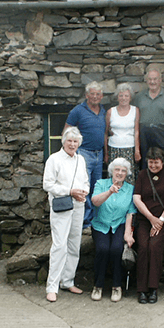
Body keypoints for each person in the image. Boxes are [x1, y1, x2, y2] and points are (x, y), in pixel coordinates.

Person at [43, 126, 90, 303]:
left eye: (75, 141)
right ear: (63, 142)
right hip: (61, 206)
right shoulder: (54, 159)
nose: (72, 144)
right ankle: (52, 287)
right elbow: (47, 185)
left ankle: (67, 281)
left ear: (79, 143)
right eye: (69, 140)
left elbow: (85, 181)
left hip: (78, 205)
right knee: (59, 245)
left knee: (74, 244)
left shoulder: (81, 160)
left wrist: (83, 192)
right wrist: (70, 191)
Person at [89, 158, 137, 302]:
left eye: (123, 171)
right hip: (100, 224)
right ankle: (98, 285)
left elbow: (130, 212)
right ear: (111, 171)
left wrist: (128, 233)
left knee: (116, 249)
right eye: (117, 169)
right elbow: (95, 201)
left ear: (127, 173)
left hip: (119, 224)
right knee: (102, 249)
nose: (120, 173)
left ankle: (117, 286)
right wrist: (109, 192)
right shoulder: (101, 184)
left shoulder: (130, 189)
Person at [133, 147, 164, 304]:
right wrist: (151, 218)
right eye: (150, 163)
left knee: (155, 246)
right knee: (143, 247)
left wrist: (160, 221)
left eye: (156, 163)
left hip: (163, 220)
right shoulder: (143, 175)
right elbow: (137, 199)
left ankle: (153, 288)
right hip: (145, 219)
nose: (153, 166)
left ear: (162, 162)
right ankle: (142, 289)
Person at [64, 81, 107, 228]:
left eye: (98, 94)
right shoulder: (78, 110)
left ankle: (95, 219)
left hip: (99, 154)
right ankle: (85, 222)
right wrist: (69, 152)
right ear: (86, 95)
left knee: (97, 187)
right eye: (92, 94)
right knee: (84, 187)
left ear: (101, 96)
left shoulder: (103, 111)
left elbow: (106, 133)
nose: (95, 97)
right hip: (84, 153)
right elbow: (67, 131)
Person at [133, 70, 164, 170]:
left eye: (155, 79)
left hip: (162, 133)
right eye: (150, 79)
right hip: (144, 135)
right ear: (146, 81)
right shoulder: (139, 97)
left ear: (160, 80)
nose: (152, 82)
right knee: (145, 162)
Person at [105, 84, 140, 185]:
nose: (123, 98)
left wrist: (137, 150)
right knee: (114, 177)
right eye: (121, 96)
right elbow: (106, 133)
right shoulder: (110, 111)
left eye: (126, 96)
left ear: (130, 97)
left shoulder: (135, 110)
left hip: (130, 149)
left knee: (129, 177)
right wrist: (106, 153)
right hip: (114, 149)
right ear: (117, 97)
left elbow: (137, 131)